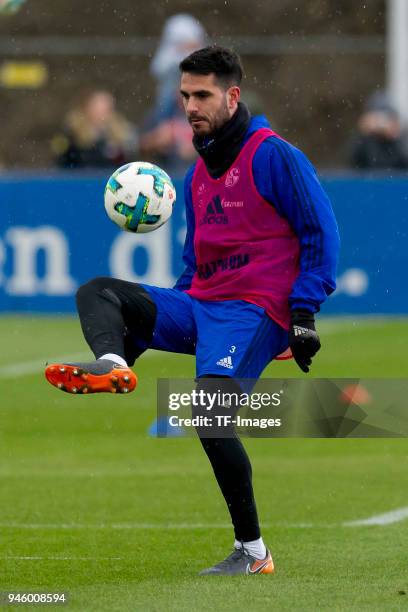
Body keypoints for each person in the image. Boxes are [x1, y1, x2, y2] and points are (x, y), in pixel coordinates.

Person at [45, 47, 340, 575]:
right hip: (203, 303)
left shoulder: (273, 155)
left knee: (209, 416)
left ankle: (253, 553)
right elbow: (195, 265)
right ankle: (115, 363)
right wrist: (154, 321)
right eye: (184, 95)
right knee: (98, 292)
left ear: (232, 95)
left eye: (202, 95)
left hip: (254, 311)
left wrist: (303, 313)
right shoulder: (197, 177)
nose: (190, 106)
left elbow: (322, 233)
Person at [139, 14, 207, 173]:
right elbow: (139, 146)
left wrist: (198, 145)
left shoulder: (216, 113)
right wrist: (155, 141)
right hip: (169, 175)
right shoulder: (162, 113)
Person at [52, 89, 138, 169]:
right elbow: (64, 160)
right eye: (98, 107)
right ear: (87, 107)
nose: (102, 112)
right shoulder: (72, 131)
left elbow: (127, 161)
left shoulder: (122, 132)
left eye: (106, 108)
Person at [349, 92, 408, 170]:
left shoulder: (400, 140)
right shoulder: (365, 141)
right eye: (377, 119)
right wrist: (363, 133)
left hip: (395, 180)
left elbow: (404, 162)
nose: (381, 124)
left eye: (385, 119)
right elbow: (352, 161)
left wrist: (394, 137)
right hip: (368, 180)